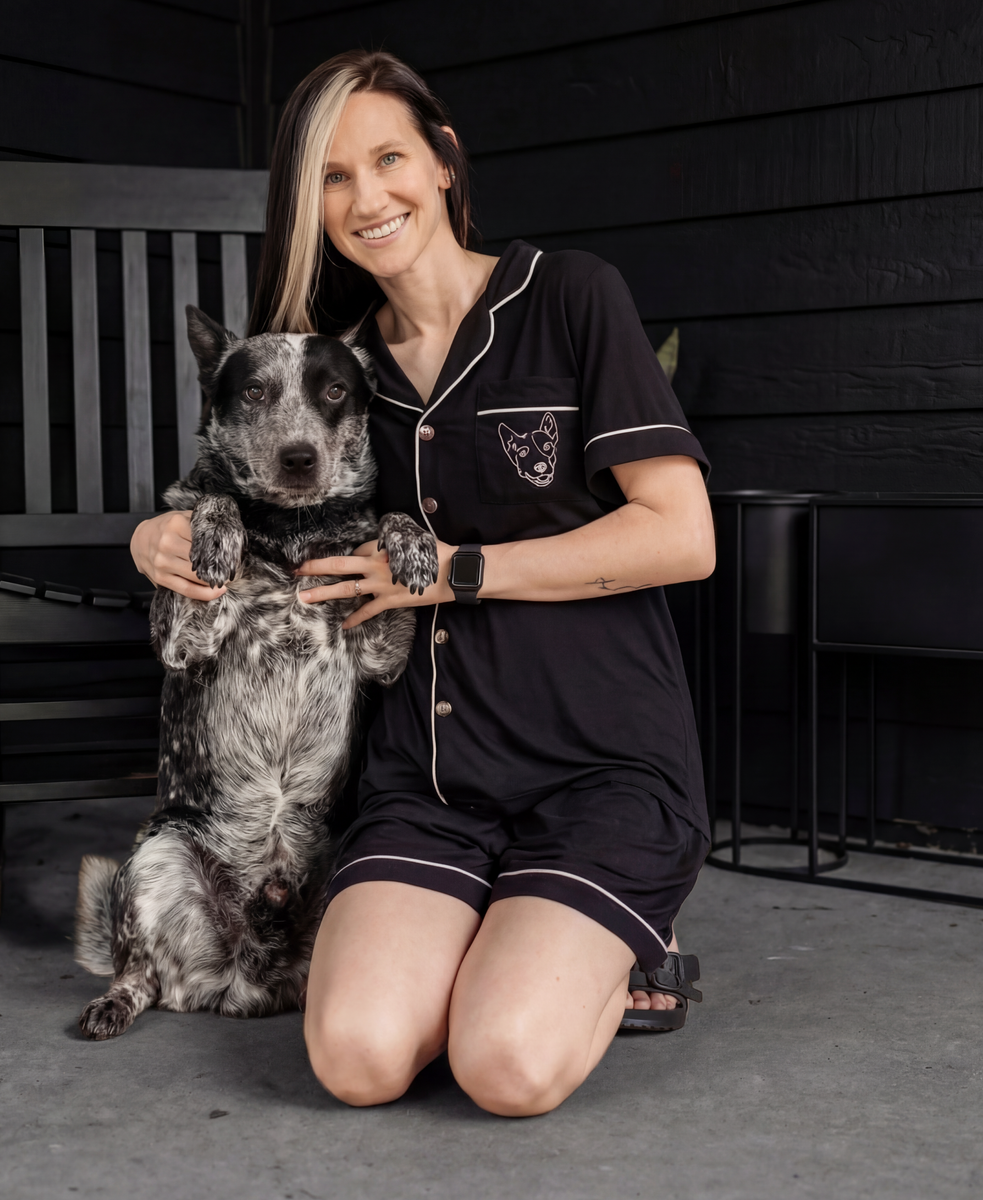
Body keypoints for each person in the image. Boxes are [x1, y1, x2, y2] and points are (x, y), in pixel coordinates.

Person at [130, 50, 714, 1117]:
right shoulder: (336, 376)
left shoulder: (571, 298)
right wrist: (151, 540)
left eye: (389, 157)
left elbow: (683, 538)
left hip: (598, 766)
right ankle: (508, 933)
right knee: (355, 1059)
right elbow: (231, 486)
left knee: (505, 1069)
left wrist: (461, 572)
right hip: (430, 786)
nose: (368, 197)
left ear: (444, 162)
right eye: (333, 179)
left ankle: (632, 945)